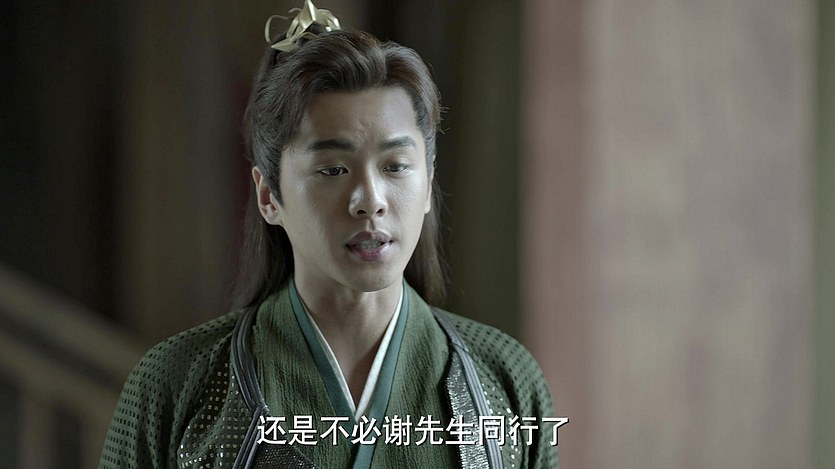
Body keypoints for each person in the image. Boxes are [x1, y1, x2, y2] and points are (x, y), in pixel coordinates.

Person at [99, 1, 559, 468]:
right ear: (269, 196)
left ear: (428, 184)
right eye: (333, 169)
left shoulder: (503, 380)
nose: (370, 200)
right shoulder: (178, 382)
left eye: (396, 166)